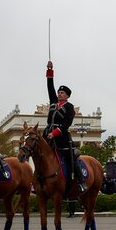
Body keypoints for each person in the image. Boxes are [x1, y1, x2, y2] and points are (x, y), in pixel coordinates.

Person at [44, 61, 85, 193]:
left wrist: (54, 133)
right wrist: (50, 71)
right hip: (47, 132)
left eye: (62, 93)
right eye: (59, 92)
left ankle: (80, 181)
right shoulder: (53, 102)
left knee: (70, 158)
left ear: (67, 96)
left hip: (61, 137)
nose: (59, 94)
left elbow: (66, 124)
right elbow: (50, 87)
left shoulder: (69, 107)